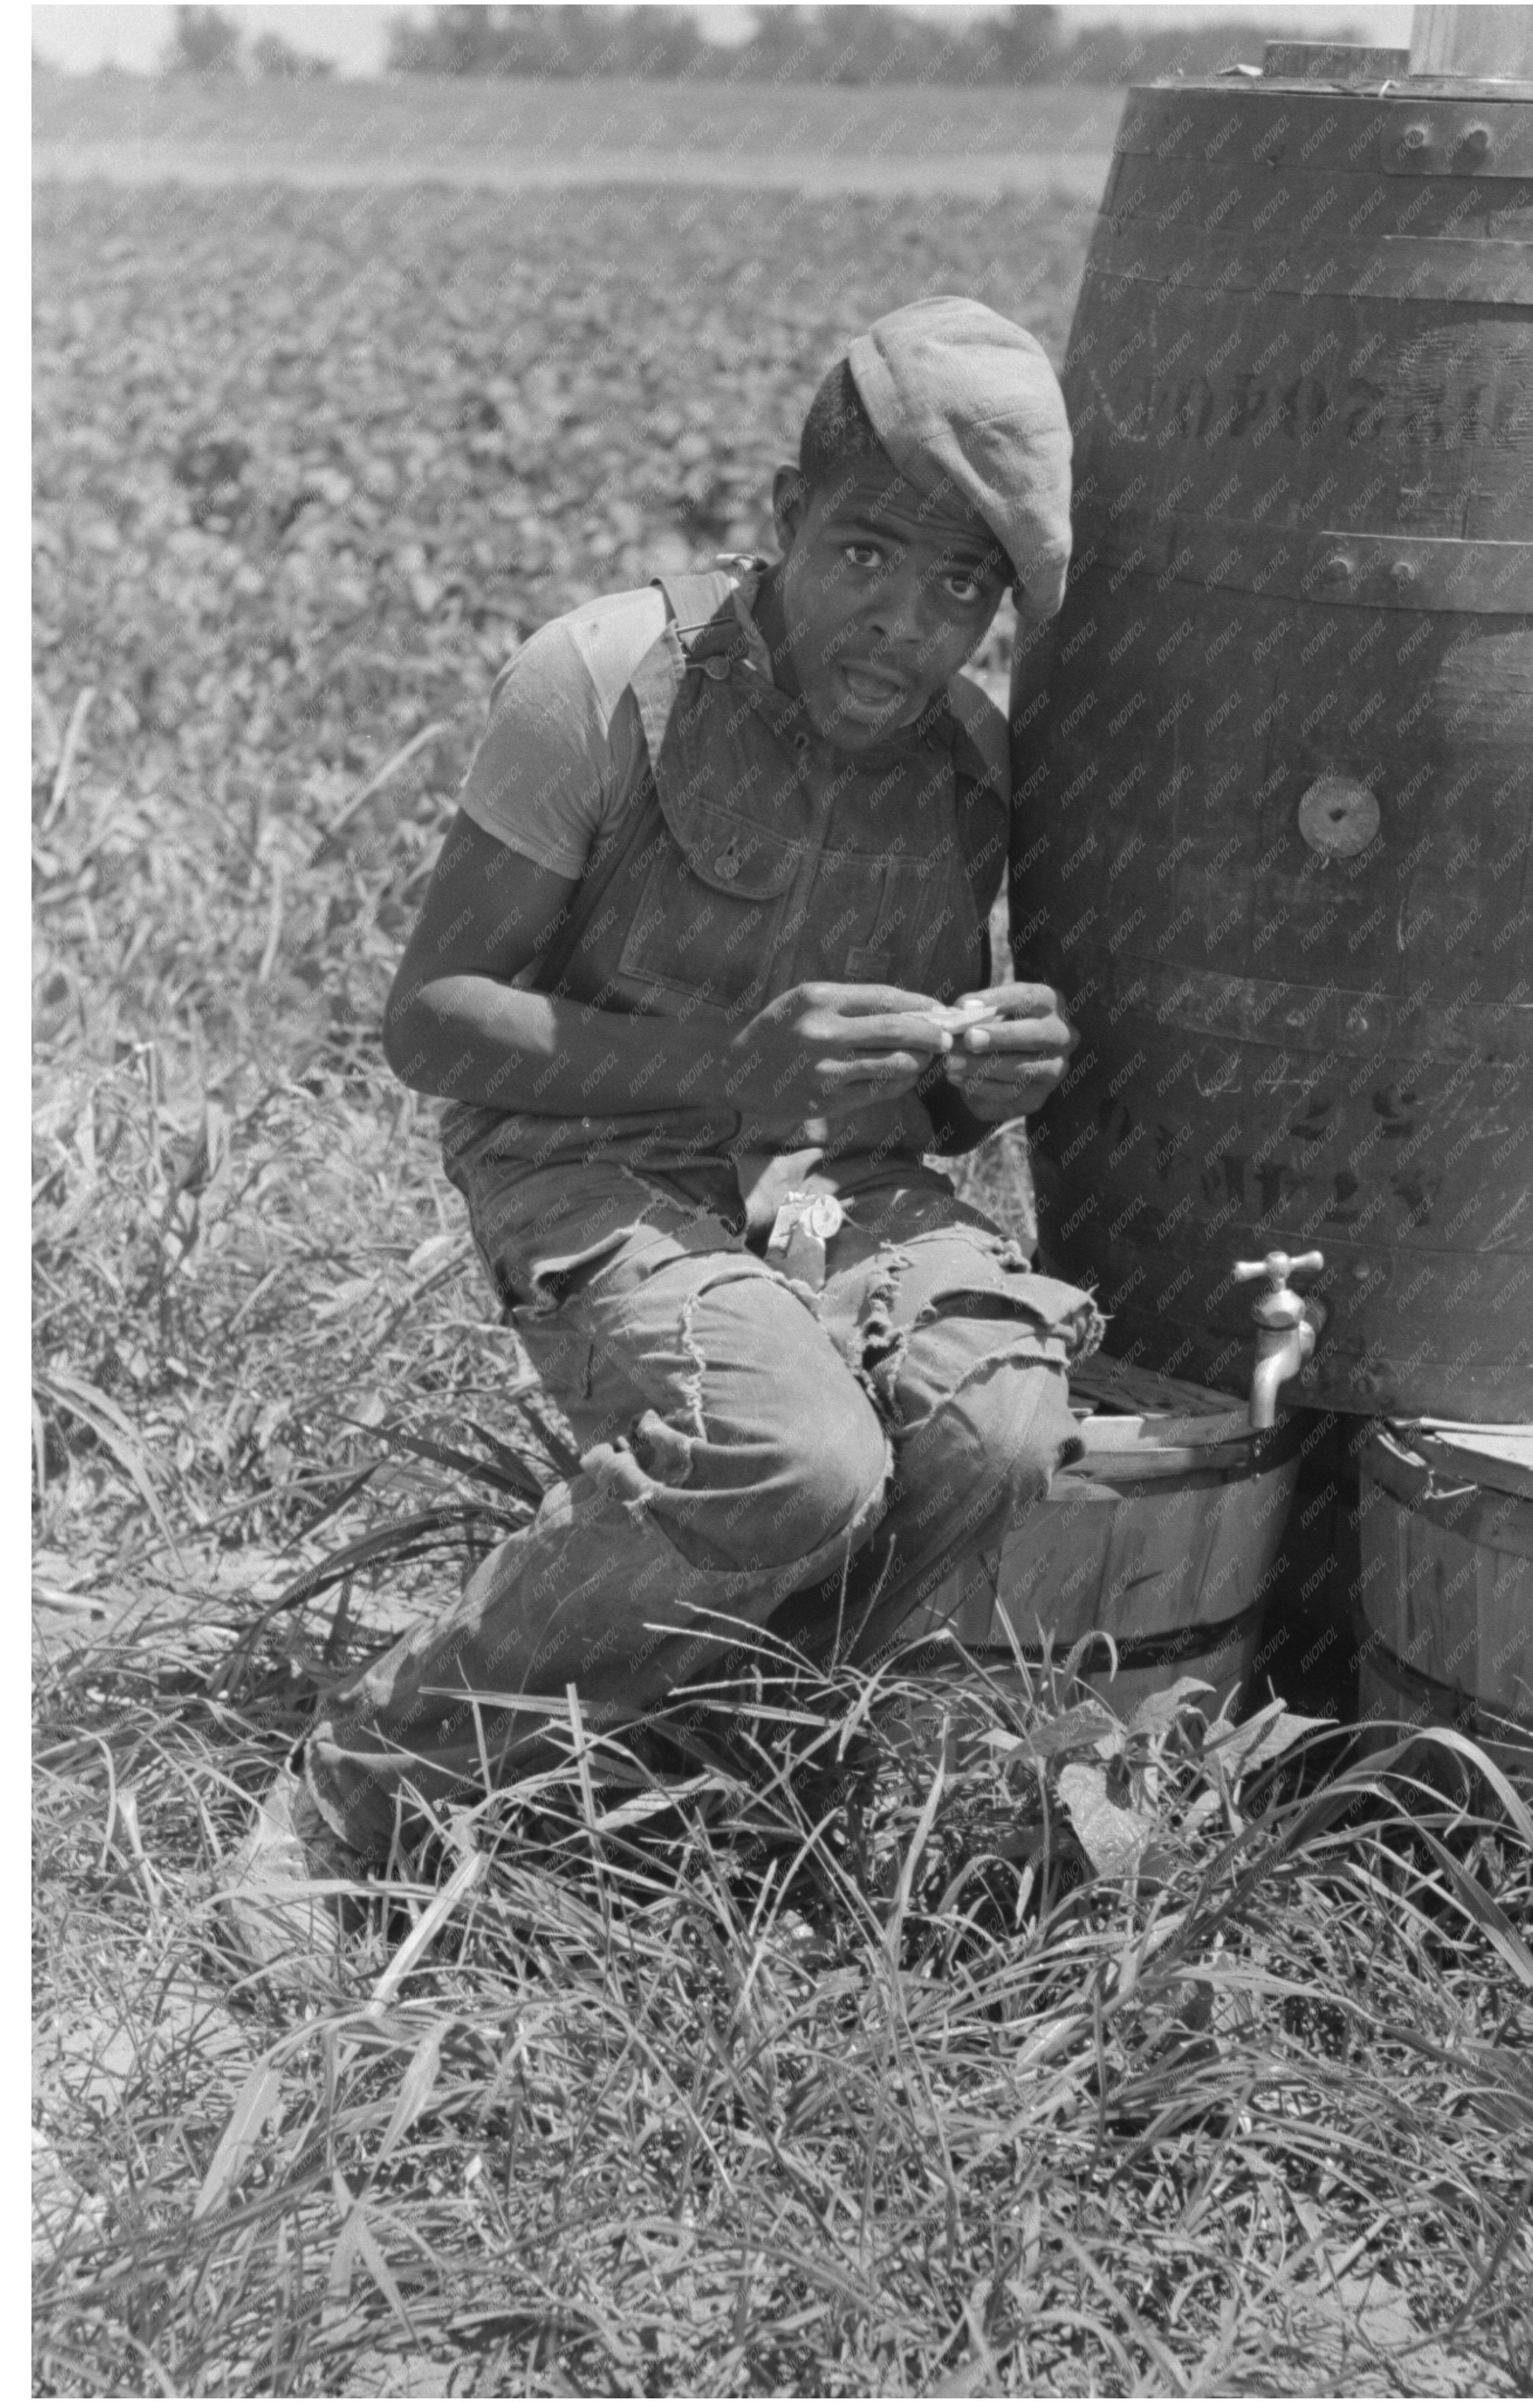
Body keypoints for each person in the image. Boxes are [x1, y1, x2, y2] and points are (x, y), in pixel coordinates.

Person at [227, 295, 1102, 1971]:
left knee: (998, 1419)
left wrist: (972, 1083)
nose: (903, 629)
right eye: (865, 554)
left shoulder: (971, 766)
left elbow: (893, 1091)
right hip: (581, 1153)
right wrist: (726, 1060)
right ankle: (364, 1787)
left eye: (961, 591)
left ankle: (713, 1766)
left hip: (823, 1179)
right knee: (795, 1455)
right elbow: (435, 1021)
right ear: (778, 514)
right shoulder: (604, 681)